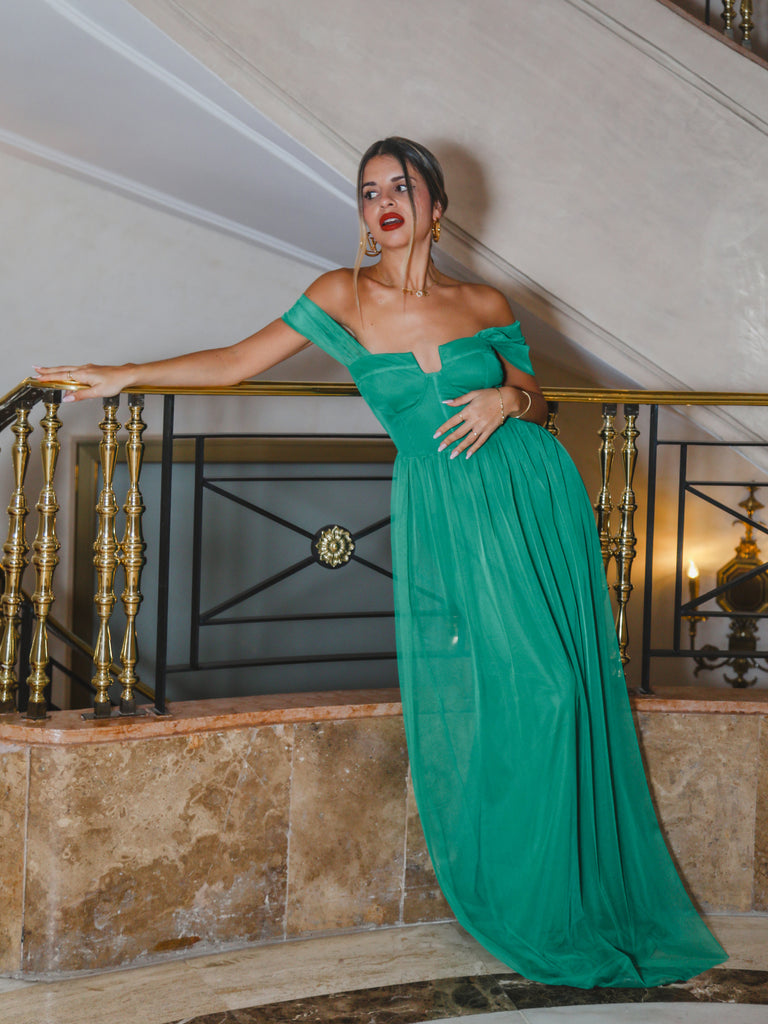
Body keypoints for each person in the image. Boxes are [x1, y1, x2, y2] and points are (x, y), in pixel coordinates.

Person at [35, 137, 726, 988]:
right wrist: (126, 374)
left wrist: (508, 397)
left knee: (563, 686)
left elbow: (538, 400)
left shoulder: (483, 300)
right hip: (448, 504)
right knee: (535, 690)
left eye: (402, 187)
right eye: (370, 191)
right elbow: (236, 362)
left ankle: (569, 897)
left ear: (437, 206)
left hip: (534, 490)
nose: (385, 202)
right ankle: (529, 901)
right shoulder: (343, 294)